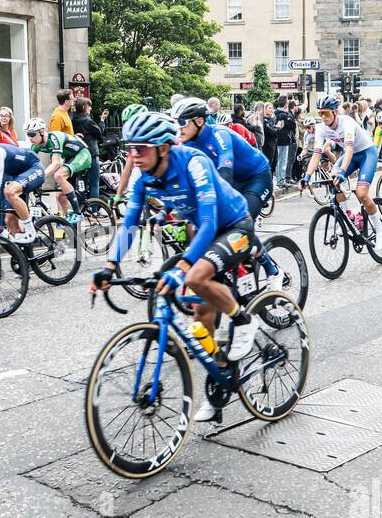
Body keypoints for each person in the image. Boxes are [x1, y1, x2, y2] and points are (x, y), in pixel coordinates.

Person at [91, 110, 264, 424]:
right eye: (131, 148)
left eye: (140, 148)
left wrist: (181, 268)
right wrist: (109, 264)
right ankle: (221, 377)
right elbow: (129, 223)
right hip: (206, 231)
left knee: (195, 278)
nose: (134, 156)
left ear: (163, 147)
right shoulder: (145, 177)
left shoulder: (194, 162)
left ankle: (243, 319)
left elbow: (211, 221)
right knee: (200, 319)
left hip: (235, 226)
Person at [172, 96, 274, 222]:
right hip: (235, 180)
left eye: (182, 122)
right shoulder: (188, 144)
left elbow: (225, 170)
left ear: (199, 121)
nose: (178, 128)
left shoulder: (219, 133)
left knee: (241, 223)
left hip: (257, 177)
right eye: (175, 122)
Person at [300, 96, 380, 231]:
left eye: (326, 113)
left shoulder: (346, 122)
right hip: (351, 155)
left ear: (335, 112)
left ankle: (379, 229)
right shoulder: (320, 128)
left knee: (361, 194)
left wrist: (342, 171)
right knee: (333, 179)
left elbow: (348, 149)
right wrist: (307, 176)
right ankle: (347, 217)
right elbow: (316, 154)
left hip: (366, 153)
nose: (323, 117)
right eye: (320, 114)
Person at [26, 116, 91, 220]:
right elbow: (29, 165)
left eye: (32, 134)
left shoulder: (53, 138)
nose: (30, 138)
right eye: (28, 134)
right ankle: (66, 222)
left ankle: (77, 213)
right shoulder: (36, 145)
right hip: (70, 158)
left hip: (82, 154)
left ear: (42, 132)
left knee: (59, 175)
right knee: (59, 196)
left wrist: (39, 177)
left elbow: (57, 163)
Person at [71, 97, 104, 199]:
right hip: (92, 154)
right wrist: (102, 121)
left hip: (78, 155)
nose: (90, 109)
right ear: (84, 107)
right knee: (94, 183)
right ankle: (94, 209)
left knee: (81, 182)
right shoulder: (88, 121)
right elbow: (99, 133)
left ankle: (81, 206)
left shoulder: (71, 120)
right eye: (89, 106)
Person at [272, 95, 295, 189]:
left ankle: (279, 179)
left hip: (277, 139)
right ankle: (281, 180)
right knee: (282, 160)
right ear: (286, 104)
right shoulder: (283, 114)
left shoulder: (275, 113)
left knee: (279, 160)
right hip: (283, 139)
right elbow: (292, 126)